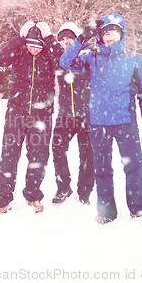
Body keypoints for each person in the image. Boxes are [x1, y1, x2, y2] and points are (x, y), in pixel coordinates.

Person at [60, 14, 142, 224]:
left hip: (125, 123)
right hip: (98, 124)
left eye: (114, 33)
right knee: (102, 170)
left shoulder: (135, 59)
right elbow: (65, 61)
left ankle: (138, 210)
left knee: (134, 167)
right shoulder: (91, 58)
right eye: (105, 34)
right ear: (100, 37)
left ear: (122, 35)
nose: (110, 37)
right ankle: (106, 212)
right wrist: (81, 39)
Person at [0, 21, 63, 217]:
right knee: (8, 157)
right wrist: (19, 39)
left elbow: (64, 64)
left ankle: (33, 195)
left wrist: (50, 39)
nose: (34, 49)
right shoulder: (19, 51)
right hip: (16, 113)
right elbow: (0, 60)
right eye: (30, 44)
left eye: (38, 45)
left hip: (42, 115)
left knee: (38, 158)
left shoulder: (49, 55)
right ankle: (2, 200)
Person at [51, 22, 95, 205]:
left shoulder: (88, 56)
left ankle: (84, 192)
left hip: (87, 115)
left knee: (87, 154)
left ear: (76, 38)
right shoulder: (59, 59)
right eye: (61, 39)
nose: (65, 41)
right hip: (65, 115)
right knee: (57, 149)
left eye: (68, 37)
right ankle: (63, 187)